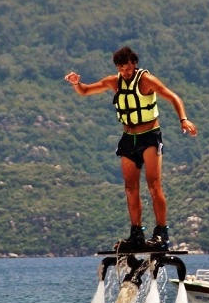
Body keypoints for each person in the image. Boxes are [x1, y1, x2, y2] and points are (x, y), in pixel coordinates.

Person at [64, 46, 198, 250]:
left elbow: (173, 97)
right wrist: (76, 83)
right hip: (128, 138)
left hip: (149, 137)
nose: (125, 72)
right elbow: (85, 90)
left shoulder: (146, 81)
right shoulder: (113, 81)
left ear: (134, 64)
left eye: (128, 68)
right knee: (130, 188)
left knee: (154, 185)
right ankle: (136, 234)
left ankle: (161, 233)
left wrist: (184, 120)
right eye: (121, 68)